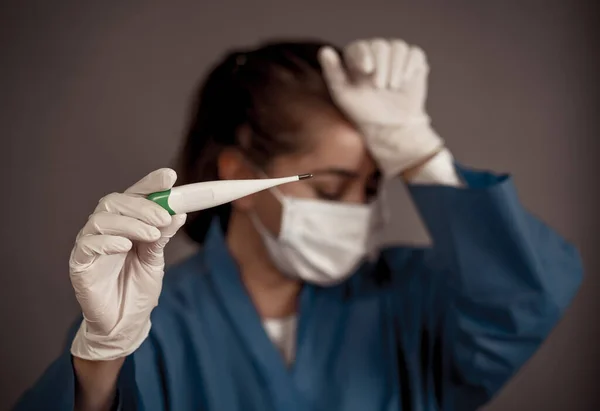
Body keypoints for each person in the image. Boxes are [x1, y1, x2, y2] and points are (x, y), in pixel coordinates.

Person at [14, 38, 583, 411]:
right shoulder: (143, 323)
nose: (358, 211)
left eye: (370, 187)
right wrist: (100, 366)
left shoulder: (408, 303)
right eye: (331, 186)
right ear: (237, 176)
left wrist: (416, 148)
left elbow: (526, 298)